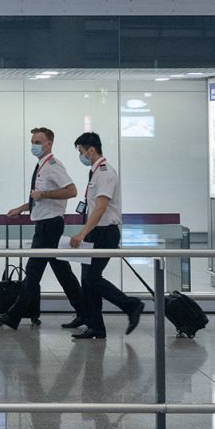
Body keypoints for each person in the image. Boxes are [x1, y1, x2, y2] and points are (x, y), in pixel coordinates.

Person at [0, 126, 87, 330]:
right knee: (63, 273)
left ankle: (13, 316)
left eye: (38, 142)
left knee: (33, 271)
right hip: (45, 223)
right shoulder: (42, 166)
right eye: (32, 142)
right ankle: (84, 312)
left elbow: (71, 191)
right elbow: (40, 198)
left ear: (49, 143)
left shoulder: (53, 165)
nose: (34, 146)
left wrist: (43, 196)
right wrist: (22, 208)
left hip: (49, 226)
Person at [67, 131, 145, 340]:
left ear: (91, 150)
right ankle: (96, 327)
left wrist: (82, 233)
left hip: (105, 233)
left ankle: (131, 305)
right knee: (87, 280)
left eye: (81, 152)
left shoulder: (105, 173)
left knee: (92, 278)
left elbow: (100, 208)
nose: (81, 156)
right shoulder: (95, 172)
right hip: (95, 233)